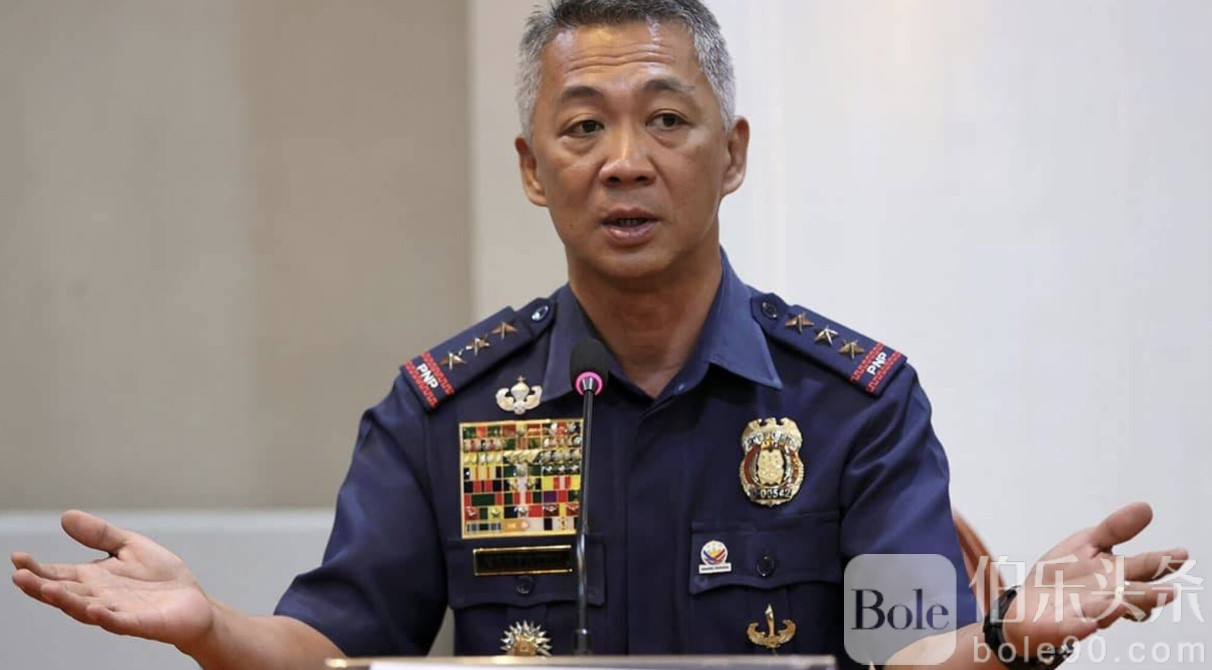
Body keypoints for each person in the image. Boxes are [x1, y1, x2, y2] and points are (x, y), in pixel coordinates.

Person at [9, 1, 1188, 668]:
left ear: (732, 155)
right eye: (583, 128)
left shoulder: (854, 406)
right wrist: (209, 627)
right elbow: (330, 649)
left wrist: (1008, 638)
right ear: (534, 168)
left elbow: (917, 650)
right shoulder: (445, 412)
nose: (625, 160)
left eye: (667, 119)